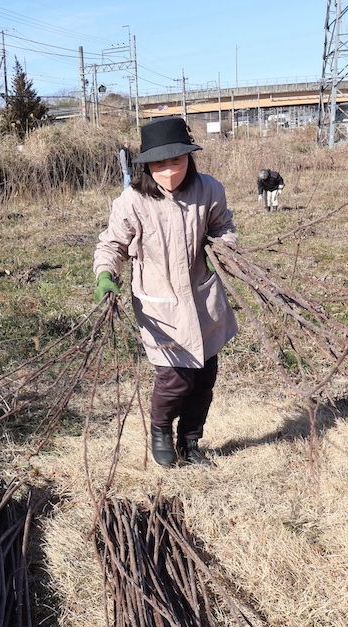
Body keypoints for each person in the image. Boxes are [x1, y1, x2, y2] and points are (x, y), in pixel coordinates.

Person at [93, 117, 238, 468]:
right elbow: (111, 244)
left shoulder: (209, 189)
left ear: (189, 159)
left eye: (176, 161)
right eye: (159, 163)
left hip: (203, 299)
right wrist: (105, 274)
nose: (169, 170)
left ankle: (190, 440)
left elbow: (224, 226)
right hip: (160, 306)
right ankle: (160, 431)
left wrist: (223, 248)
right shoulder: (132, 201)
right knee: (174, 379)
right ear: (147, 166)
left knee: (203, 378)